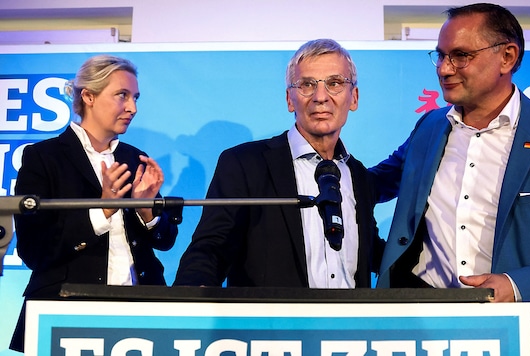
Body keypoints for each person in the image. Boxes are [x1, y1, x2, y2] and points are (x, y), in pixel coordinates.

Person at [370, 3, 530, 356]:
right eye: (441, 56)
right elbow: (372, 184)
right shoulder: (429, 127)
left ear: (507, 57)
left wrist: (516, 286)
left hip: (526, 335)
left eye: (460, 56)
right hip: (422, 331)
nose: (444, 69)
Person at [174, 39, 384, 288]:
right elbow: (211, 248)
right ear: (289, 99)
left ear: (354, 98)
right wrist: (189, 301)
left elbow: (372, 254)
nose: (320, 97)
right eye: (307, 84)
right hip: (270, 325)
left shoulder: (358, 175)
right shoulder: (245, 164)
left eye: (334, 83)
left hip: (350, 326)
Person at [10, 55, 179, 352]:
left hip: (142, 315)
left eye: (136, 97)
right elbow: (33, 251)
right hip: (65, 313)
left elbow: (164, 241)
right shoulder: (44, 158)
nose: (132, 108)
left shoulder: (134, 157)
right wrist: (101, 211)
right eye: (122, 96)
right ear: (88, 96)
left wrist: (146, 210)